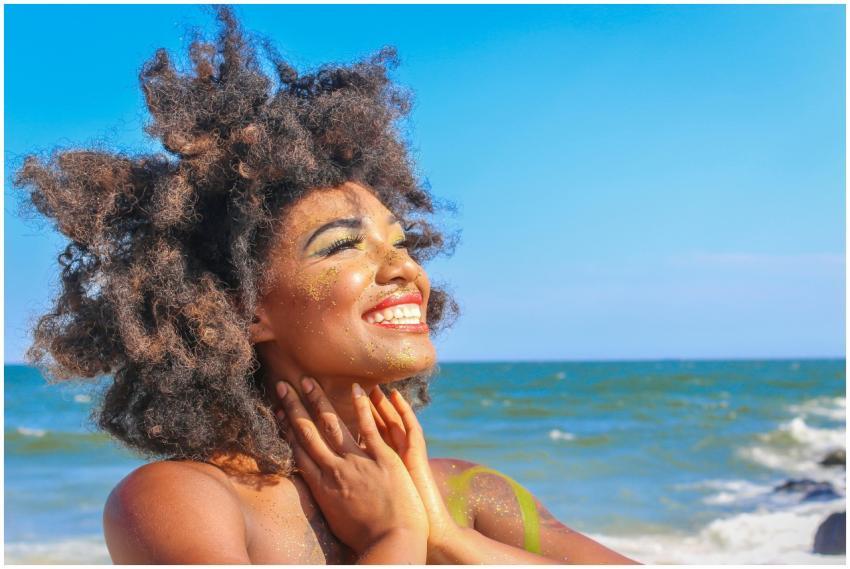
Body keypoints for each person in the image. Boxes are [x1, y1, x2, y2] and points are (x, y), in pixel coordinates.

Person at [14, 6, 640, 564]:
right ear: (239, 309)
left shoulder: (468, 494)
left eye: (401, 243)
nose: (404, 269)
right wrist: (393, 541)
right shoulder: (183, 499)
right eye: (342, 245)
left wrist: (448, 540)